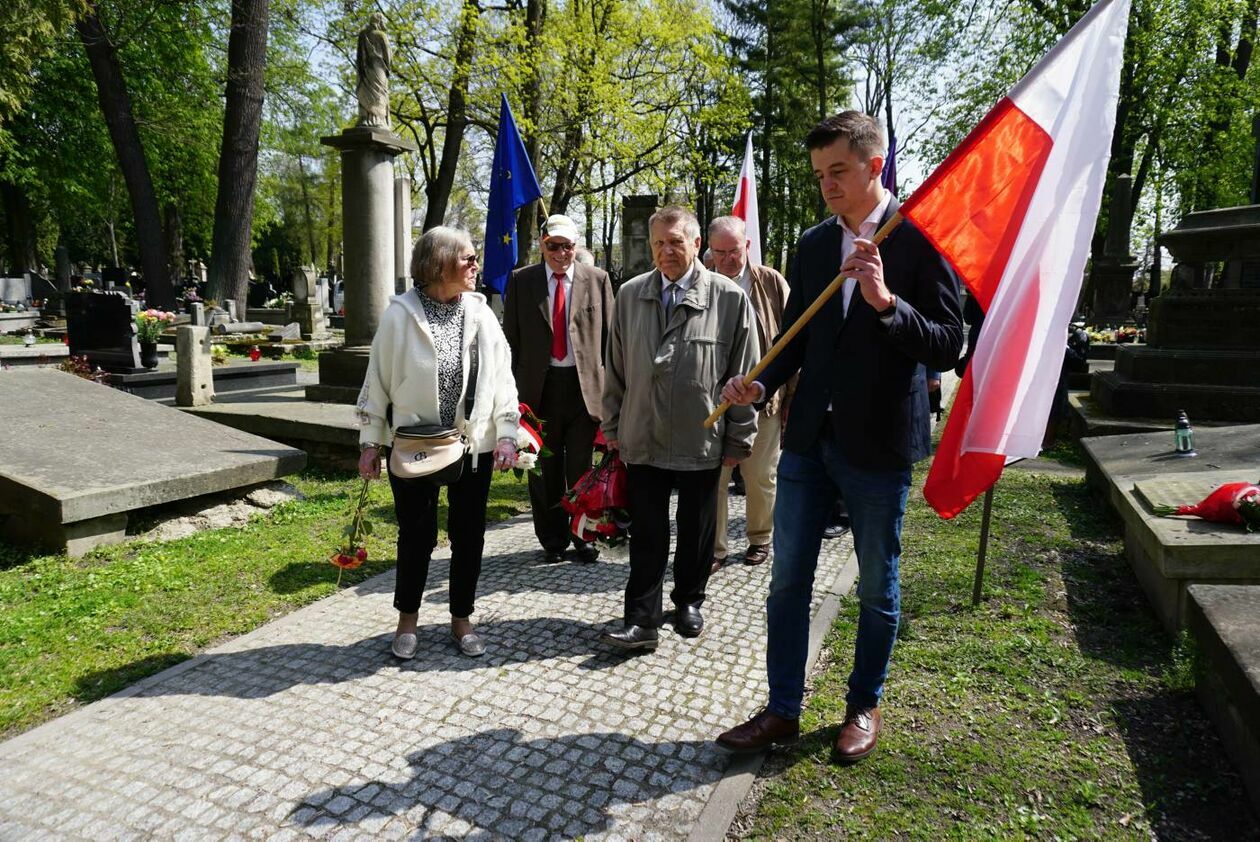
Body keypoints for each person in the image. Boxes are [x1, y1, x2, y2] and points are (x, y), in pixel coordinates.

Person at [715, 112, 963, 761]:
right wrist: (760, 385)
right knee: (787, 583)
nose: (827, 184)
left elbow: (948, 342)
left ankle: (862, 705)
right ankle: (782, 709)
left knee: (878, 583)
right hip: (807, 441)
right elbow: (799, 338)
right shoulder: (815, 243)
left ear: (874, 166)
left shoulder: (918, 237)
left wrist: (886, 302)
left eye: (838, 172)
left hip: (879, 442)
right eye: (820, 174)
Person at [356, 226, 522, 660]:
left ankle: (461, 619)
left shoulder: (482, 314)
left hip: (473, 444)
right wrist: (371, 442)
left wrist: (507, 434)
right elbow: (377, 383)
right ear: (438, 264)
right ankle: (407, 620)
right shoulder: (399, 316)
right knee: (416, 535)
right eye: (467, 257)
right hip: (414, 445)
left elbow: (503, 379)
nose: (475, 265)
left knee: (468, 535)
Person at [599, 205, 760, 651]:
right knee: (647, 532)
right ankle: (641, 619)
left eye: (674, 242)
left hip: (701, 436)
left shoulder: (729, 299)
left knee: (697, 529)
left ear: (696, 245)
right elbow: (614, 368)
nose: (666, 251)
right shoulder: (630, 295)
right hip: (643, 435)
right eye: (658, 243)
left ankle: (689, 601)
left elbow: (743, 374)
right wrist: (612, 425)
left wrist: (739, 437)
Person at [503, 214, 615, 564]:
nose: (561, 253)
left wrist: (613, 396)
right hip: (539, 390)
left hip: (584, 391)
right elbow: (512, 342)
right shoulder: (522, 282)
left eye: (567, 246)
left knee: (581, 469)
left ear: (575, 247)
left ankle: (583, 535)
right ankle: (552, 538)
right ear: (542, 244)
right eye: (554, 245)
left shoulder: (597, 280)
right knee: (544, 468)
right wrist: (511, 395)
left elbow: (612, 342)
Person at [706, 215, 792, 575]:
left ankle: (760, 538)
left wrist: (790, 398)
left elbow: (793, 342)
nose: (727, 259)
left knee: (759, 475)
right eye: (719, 252)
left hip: (764, 399)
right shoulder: (702, 284)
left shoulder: (770, 281)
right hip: (713, 400)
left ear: (748, 247)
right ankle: (715, 547)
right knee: (714, 480)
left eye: (734, 251)